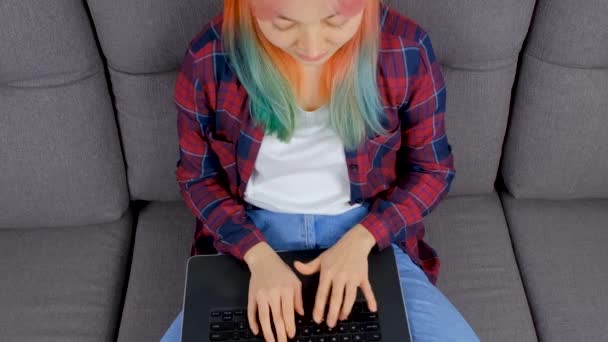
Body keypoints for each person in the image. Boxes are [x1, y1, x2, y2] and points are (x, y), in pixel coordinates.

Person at [163, 0, 480, 341]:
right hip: (252, 235)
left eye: (335, 20)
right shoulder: (208, 58)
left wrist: (363, 239)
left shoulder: (407, 49)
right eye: (284, 23)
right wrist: (257, 256)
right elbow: (198, 178)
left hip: (365, 231)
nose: (312, 48)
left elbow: (432, 170)